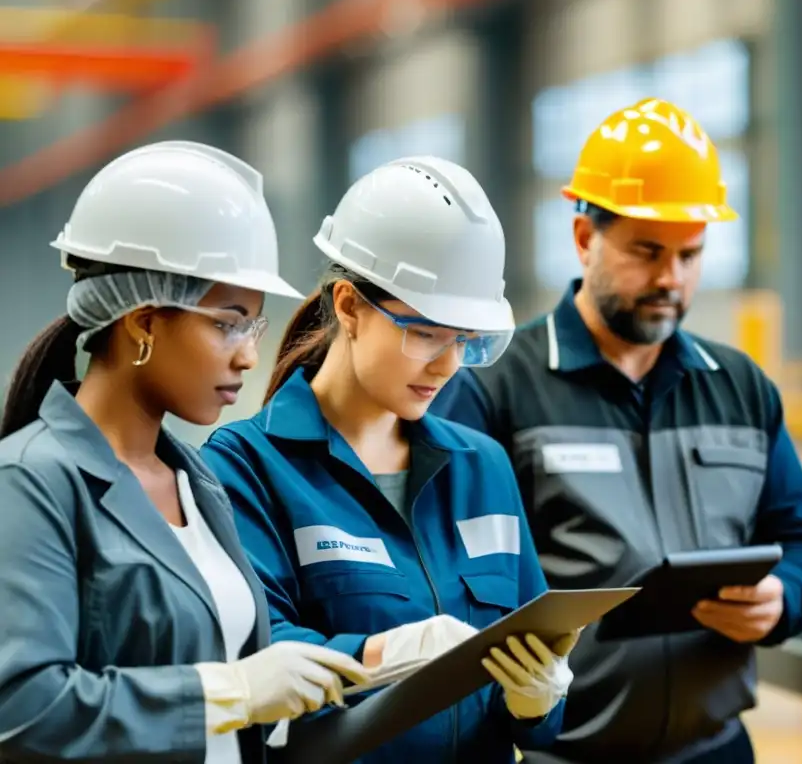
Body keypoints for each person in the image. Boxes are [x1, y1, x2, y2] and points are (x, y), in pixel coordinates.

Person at [431, 99, 802, 763]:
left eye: (690, 254)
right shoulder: (496, 389)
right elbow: (447, 576)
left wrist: (783, 596)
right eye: (647, 251)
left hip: (719, 749)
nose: (670, 279)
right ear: (585, 237)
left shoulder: (740, 387)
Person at [199, 155, 579, 764]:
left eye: (465, 339)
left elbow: (539, 713)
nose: (447, 365)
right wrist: (384, 655)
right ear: (348, 306)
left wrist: (539, 700)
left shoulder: (482, 466)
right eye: (426, 333)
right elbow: (256, 661)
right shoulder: (245, 467)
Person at [0, 141, 370, 764]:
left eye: (252, 326)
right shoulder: (31, 482)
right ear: (143, 322)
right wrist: (229, 693)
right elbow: (21, 709)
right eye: (227, 322)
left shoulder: (195, 479)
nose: (249, 355)